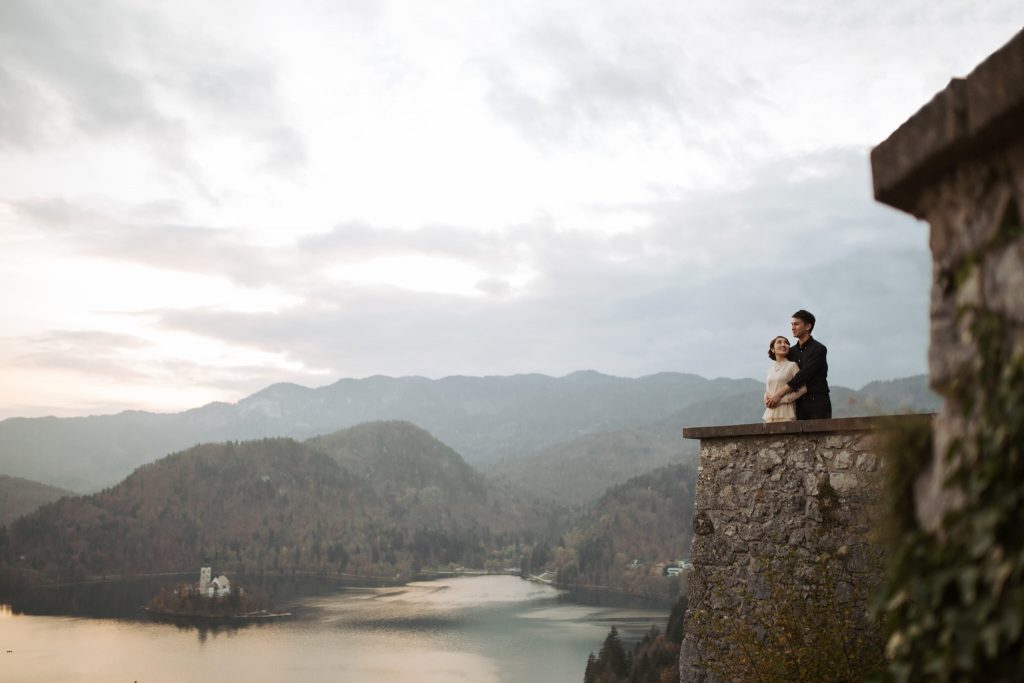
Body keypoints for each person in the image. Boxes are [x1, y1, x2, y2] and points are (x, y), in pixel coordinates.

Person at [765, 309, 831, 420]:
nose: (792, 327)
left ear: (808, 326)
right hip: (797, 404)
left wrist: (779, 395)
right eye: (792, 324)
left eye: (796, 324)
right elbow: (779, 373)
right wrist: (768, 395)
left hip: (817, 403)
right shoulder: (791, 352)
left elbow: (802, 376)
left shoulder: (819, 349)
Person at [762, 336, 807, 423]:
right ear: (772, 349)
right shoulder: (770, 370)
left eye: (786, 343)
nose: (783, 344)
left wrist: (781, 400)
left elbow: (803, 389)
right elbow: (769, 389)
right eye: (779, 342)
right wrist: (766, 396)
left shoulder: (792, 366)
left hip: (786, 412)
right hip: (770, 412)